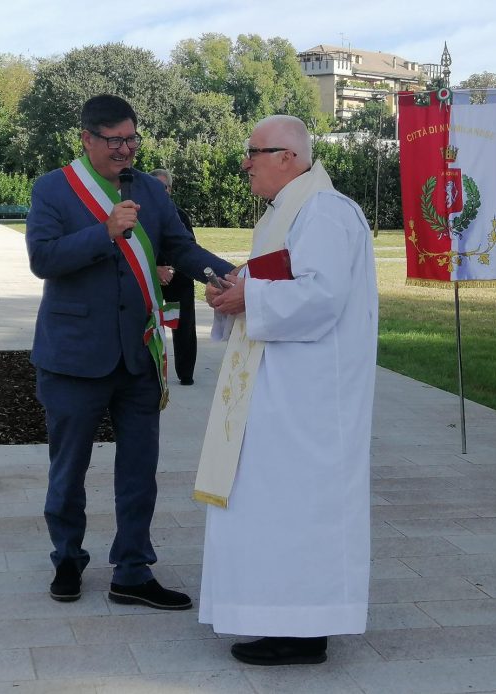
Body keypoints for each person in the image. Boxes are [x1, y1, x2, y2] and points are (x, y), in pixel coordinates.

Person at [26, 94, 234, 610]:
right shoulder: (53, 188)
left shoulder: (150, 191)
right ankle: (68, 558)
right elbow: (43, 259)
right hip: (73, 357)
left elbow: (179, 247)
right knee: (68, 470)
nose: (125, 150)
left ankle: (133, 570)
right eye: (114, 140)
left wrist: (226, 275)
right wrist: (105, 231)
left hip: (138, 355)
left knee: (140, 470)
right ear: (87, 139)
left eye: (132, 139)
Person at [198, 115, 378, 665]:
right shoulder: (294, 210)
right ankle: (277, 616)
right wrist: (239, 288)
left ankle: (304, 631)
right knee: (273, 505)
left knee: (300, 508)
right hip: (283, 387)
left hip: (310, 397)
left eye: (255, 152)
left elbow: (321, 297)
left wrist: (250, 298)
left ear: (290, 157)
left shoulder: (323, 211)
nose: (245, 162)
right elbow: (286, 279)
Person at [150, 168, 198, 386]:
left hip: (178, 278)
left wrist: (170, 270)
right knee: (146, 324)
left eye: (164, 187)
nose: (160, 191)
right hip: (150, 278)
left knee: (183, 325)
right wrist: (155, 269)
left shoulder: (181, 216)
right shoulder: (137, 215)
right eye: (155, 187)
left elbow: (189, 249)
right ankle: (147, 369)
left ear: (169, 189)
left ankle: (185, 373)